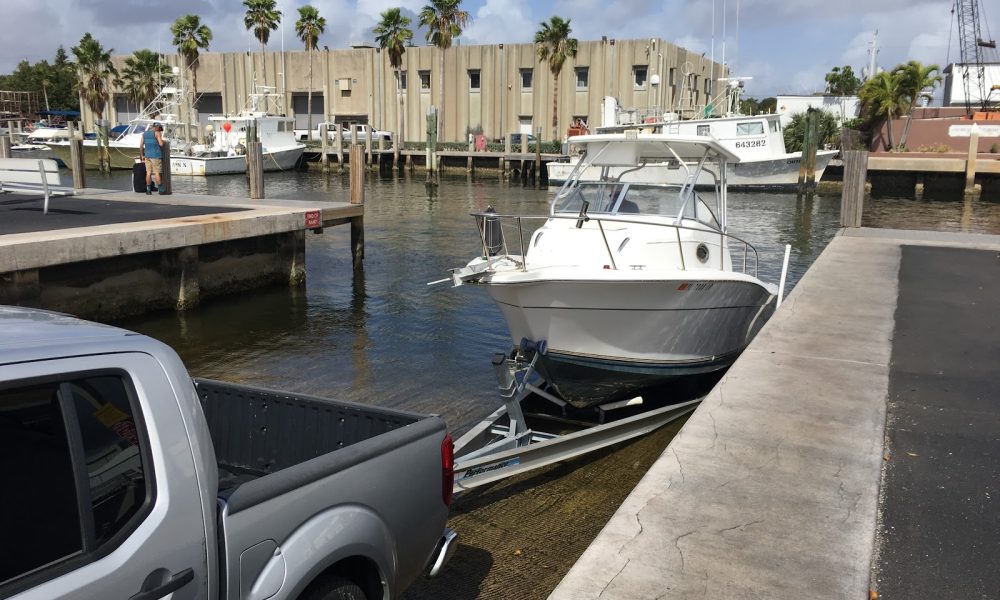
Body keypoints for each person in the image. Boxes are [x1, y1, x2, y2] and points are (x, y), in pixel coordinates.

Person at [139, 123, 165, 195]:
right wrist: (163, 141)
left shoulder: (144, 134)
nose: (160, 130)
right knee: (157, 173)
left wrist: (142, 155)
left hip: (147, 156)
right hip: (156, 156)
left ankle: (148, 190)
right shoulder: (157, 133)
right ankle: (161, 190)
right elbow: (161, 144)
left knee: (148, 173)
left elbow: (141, 145)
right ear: (156, 127)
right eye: (159, 128)